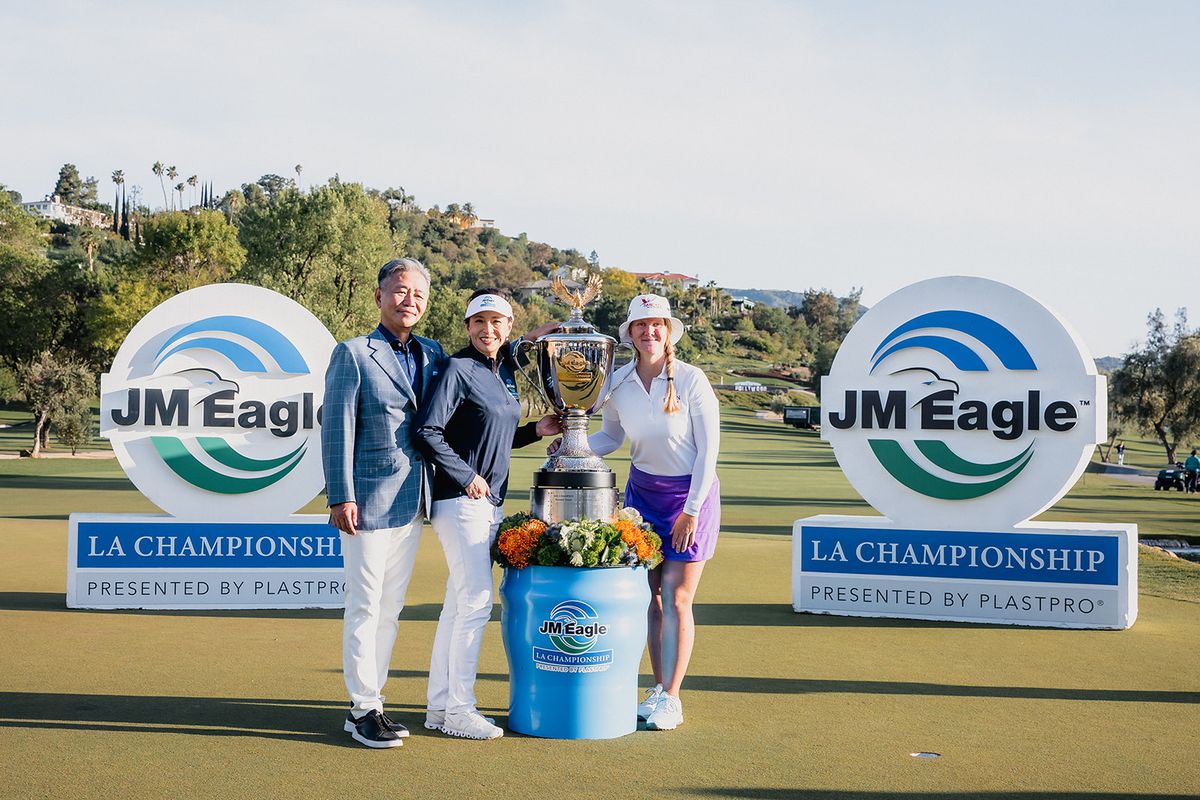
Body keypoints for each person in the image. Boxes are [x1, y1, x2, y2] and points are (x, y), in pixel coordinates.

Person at [415, 289, 560, 740]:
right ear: (467, 326)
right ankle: (461, 711)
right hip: (460, 501)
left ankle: (440, 708)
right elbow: (428, 430)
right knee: (476, 604)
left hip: (485, 502)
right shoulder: (458, 368)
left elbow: (493, 435)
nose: (488, 329)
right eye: (479, 322)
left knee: (458, 606)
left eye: (497, 322)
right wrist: (466, 476)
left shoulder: (503, 372)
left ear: (508, 327)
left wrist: (536, 430)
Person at [321, 258, 446, 749]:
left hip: (413, 501)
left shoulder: (433, 353)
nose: (409, 300)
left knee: (390, 609)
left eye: (418, 293)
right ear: (379, 296)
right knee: (365, 606)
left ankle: (372, 702)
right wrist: (341, 495)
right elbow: (336, 428)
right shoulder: (353, 353)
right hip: (366, 502)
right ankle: (362, 709)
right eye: (399, 290)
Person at [583, 293, 720, 731]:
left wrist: (691, 511)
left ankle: (673, 698)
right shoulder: (617, 382)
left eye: (657, 324)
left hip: (690, 498)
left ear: (668, 330)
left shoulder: (693, 379)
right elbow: (610, 438)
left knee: (678, 597)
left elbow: (709, 452)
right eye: (641, 325)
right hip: (642, 496)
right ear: (630, 333)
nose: (649, 331)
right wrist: (574, 447)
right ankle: (659, 689)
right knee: (652, 597)